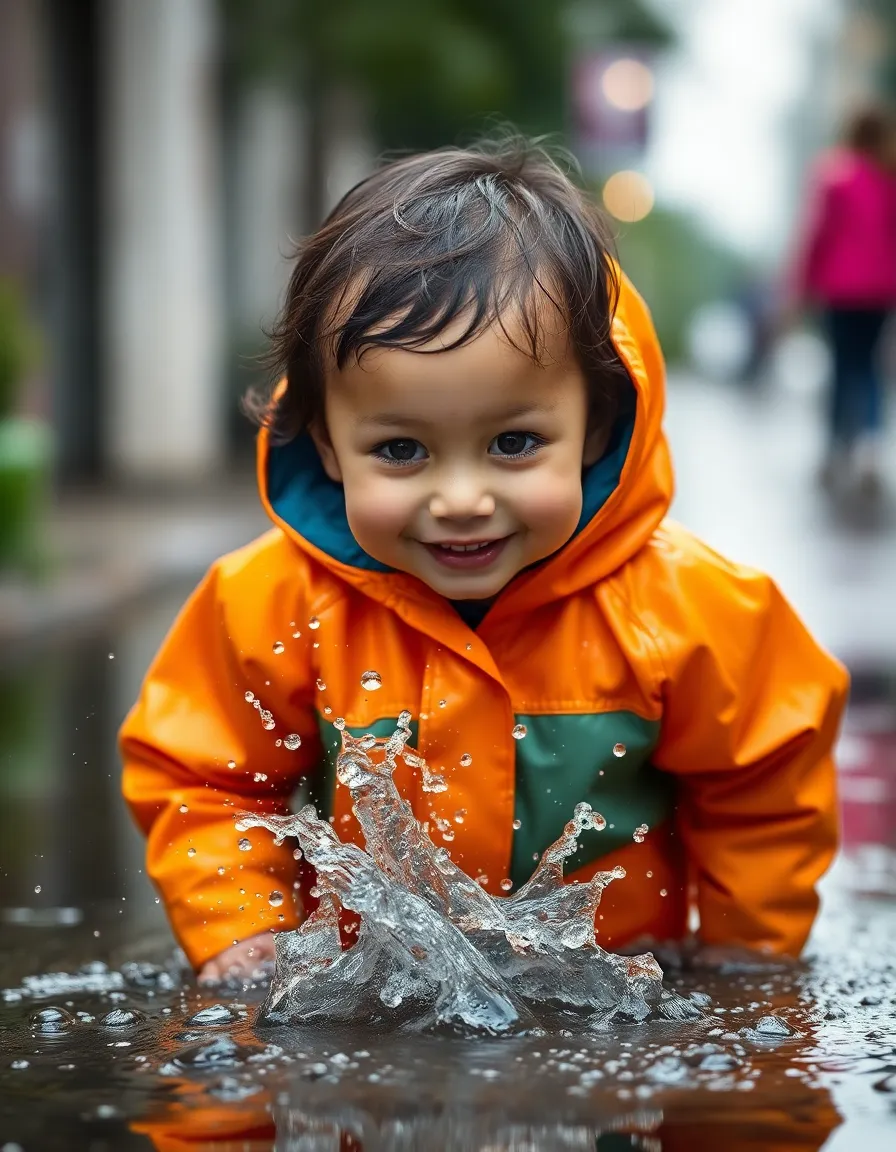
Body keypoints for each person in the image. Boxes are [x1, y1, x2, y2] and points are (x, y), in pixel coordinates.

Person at [120, 138, 848, 985]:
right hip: (376, 1017)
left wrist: (745, 957)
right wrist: (243, 929)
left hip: (613, 1013)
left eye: (513, 443)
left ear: (599, 427)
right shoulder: (272, 604)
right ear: (326, 446)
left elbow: (763, 796)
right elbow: (204, 780)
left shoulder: (695, 613)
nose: (460, 497)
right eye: (400, 449)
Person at [787, 105, 896, 491]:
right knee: (868, 367)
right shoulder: (888, 178)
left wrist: (800, 287)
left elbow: (817, 234)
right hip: (881, 290)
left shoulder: (834, 175)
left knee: (841, 367)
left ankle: (835, 450)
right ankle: (869, 444)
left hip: (839, 288)